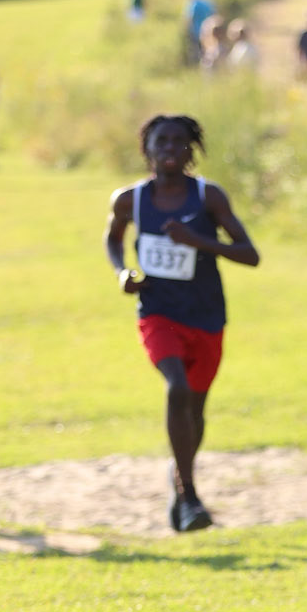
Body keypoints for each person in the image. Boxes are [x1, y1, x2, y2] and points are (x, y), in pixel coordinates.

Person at [103, 114, 260, 533]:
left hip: (206, 315)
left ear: (191, 150)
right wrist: (122, 272)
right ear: (147, 149)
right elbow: (113, 238)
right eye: (162, 142)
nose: (170, 149)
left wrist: (200, 242)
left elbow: (250, 254)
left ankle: (179, 477)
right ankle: (189, 494)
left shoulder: (208, 196)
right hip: (158, 312)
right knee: (177, 388)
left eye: (178, 142)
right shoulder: (130, 200)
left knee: (195, 409)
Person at [185, 0, 215, 64]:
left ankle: (202, 65)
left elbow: (190, 18)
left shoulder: (193, 4)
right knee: (209, 49)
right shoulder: (207, 2)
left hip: (196, 31)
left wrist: (187, 30)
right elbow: (213, 14)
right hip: (208, 30)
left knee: (199, 51)